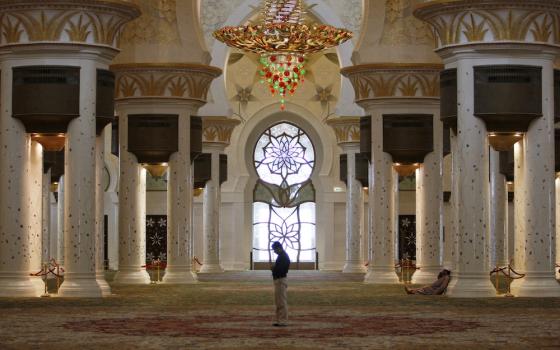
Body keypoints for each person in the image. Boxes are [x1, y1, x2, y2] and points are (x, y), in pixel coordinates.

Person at [271, 241, 290, 326]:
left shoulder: (283, 257)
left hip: (281, 280)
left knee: (281, 301)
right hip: (279, 280)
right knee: (279, 301)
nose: (274, 251)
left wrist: (273, 268)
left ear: (279, 248)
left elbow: (281, 270)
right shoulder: (282, 256)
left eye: (274, 249)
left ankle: (283, 321)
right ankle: (279, 320)